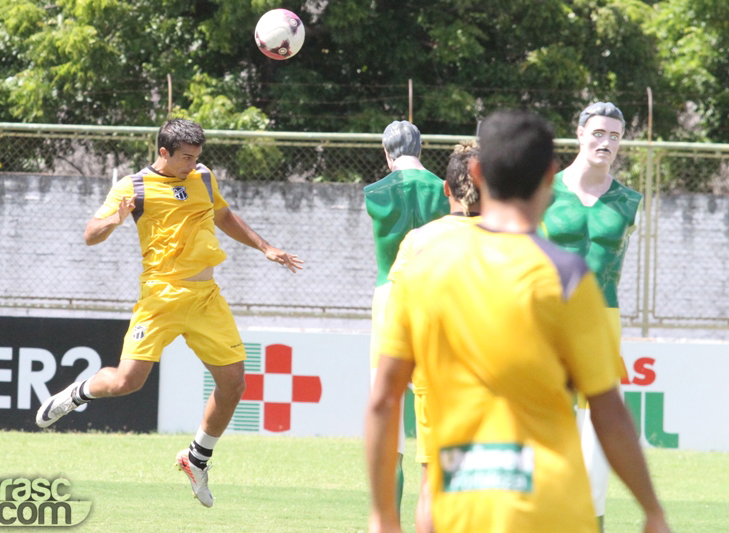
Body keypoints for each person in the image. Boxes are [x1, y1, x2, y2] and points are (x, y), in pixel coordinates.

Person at [366, 110, 670, 533]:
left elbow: (383, 399)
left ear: (475, 172)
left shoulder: (424, 269)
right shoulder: (567, 276)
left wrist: (382, 514)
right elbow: (607, 409)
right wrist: (652, 509)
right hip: (551, 505)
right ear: (550, 174)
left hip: (462, 502)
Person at [35, 118, 303, 508]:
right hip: (160, 297)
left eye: (197, 158)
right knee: (128, 381)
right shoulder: (133, 187)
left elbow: (223, 216)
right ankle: (77, 394)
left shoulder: (204, 177)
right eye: (186, 158)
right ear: (163, 152)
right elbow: (90, 234)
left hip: (206, 298)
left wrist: (266, 248)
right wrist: (116, 218)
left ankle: (197, 459)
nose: (192, 165)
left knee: (234, 384)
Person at [540, 102, 642, 531]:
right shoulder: (544, 191)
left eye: (615, 136)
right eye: (599, 133)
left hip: (602, 317)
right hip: (547, 318)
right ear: (579, 133)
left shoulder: (627, 200)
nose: (606, 143)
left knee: (598, 439)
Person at [386, 141, 480, 533]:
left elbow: (400, 311)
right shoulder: (515, 240)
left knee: (433, 481)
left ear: (446, 188)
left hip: (434, 374)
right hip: (494, 376)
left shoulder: (418, 241)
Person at [364, 120, 449, 516]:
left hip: (389, 296)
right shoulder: (443, 189)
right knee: (433, 418)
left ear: (386, 152)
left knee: (390, 420)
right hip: (434, 297)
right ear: (423, 147)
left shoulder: (376, 193)